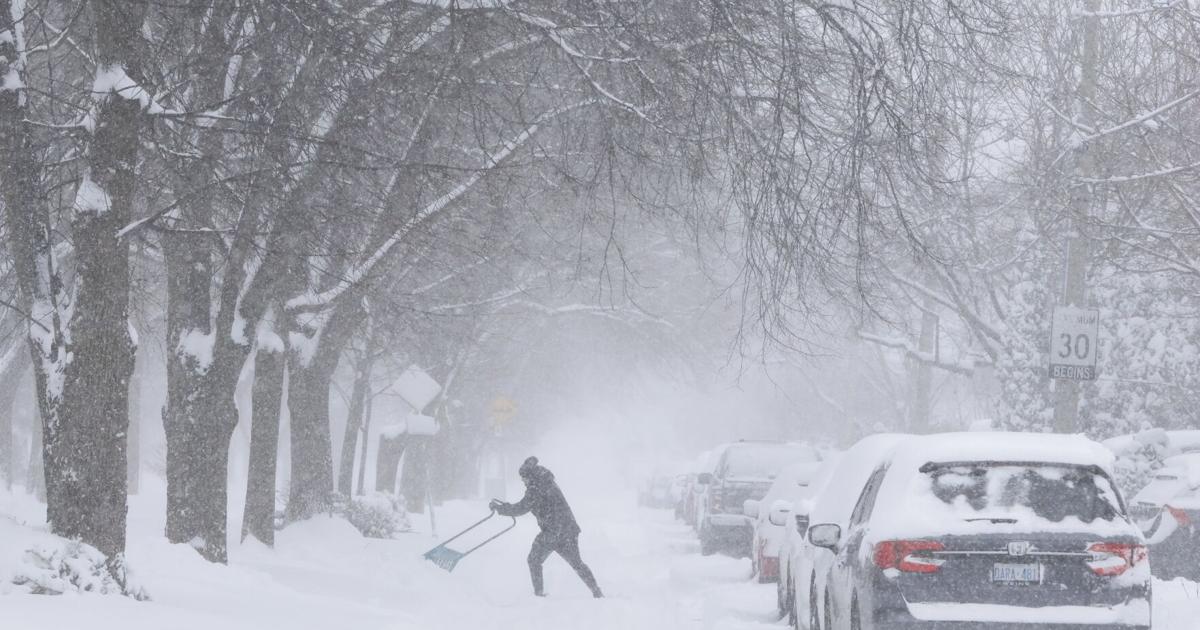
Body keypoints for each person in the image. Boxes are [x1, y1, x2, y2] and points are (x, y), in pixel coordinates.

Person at [490, 457, 603, 598]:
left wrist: (500, 509)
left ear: (530, 476)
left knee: (534, 559)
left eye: (523, 478)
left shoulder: (536, 488)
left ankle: (539, 595)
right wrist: (505, 507)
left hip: (553, 532)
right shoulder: (547, 482)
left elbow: (521, 508)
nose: (522, 481)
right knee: (577, 563)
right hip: (568, 530)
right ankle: (597, 592)